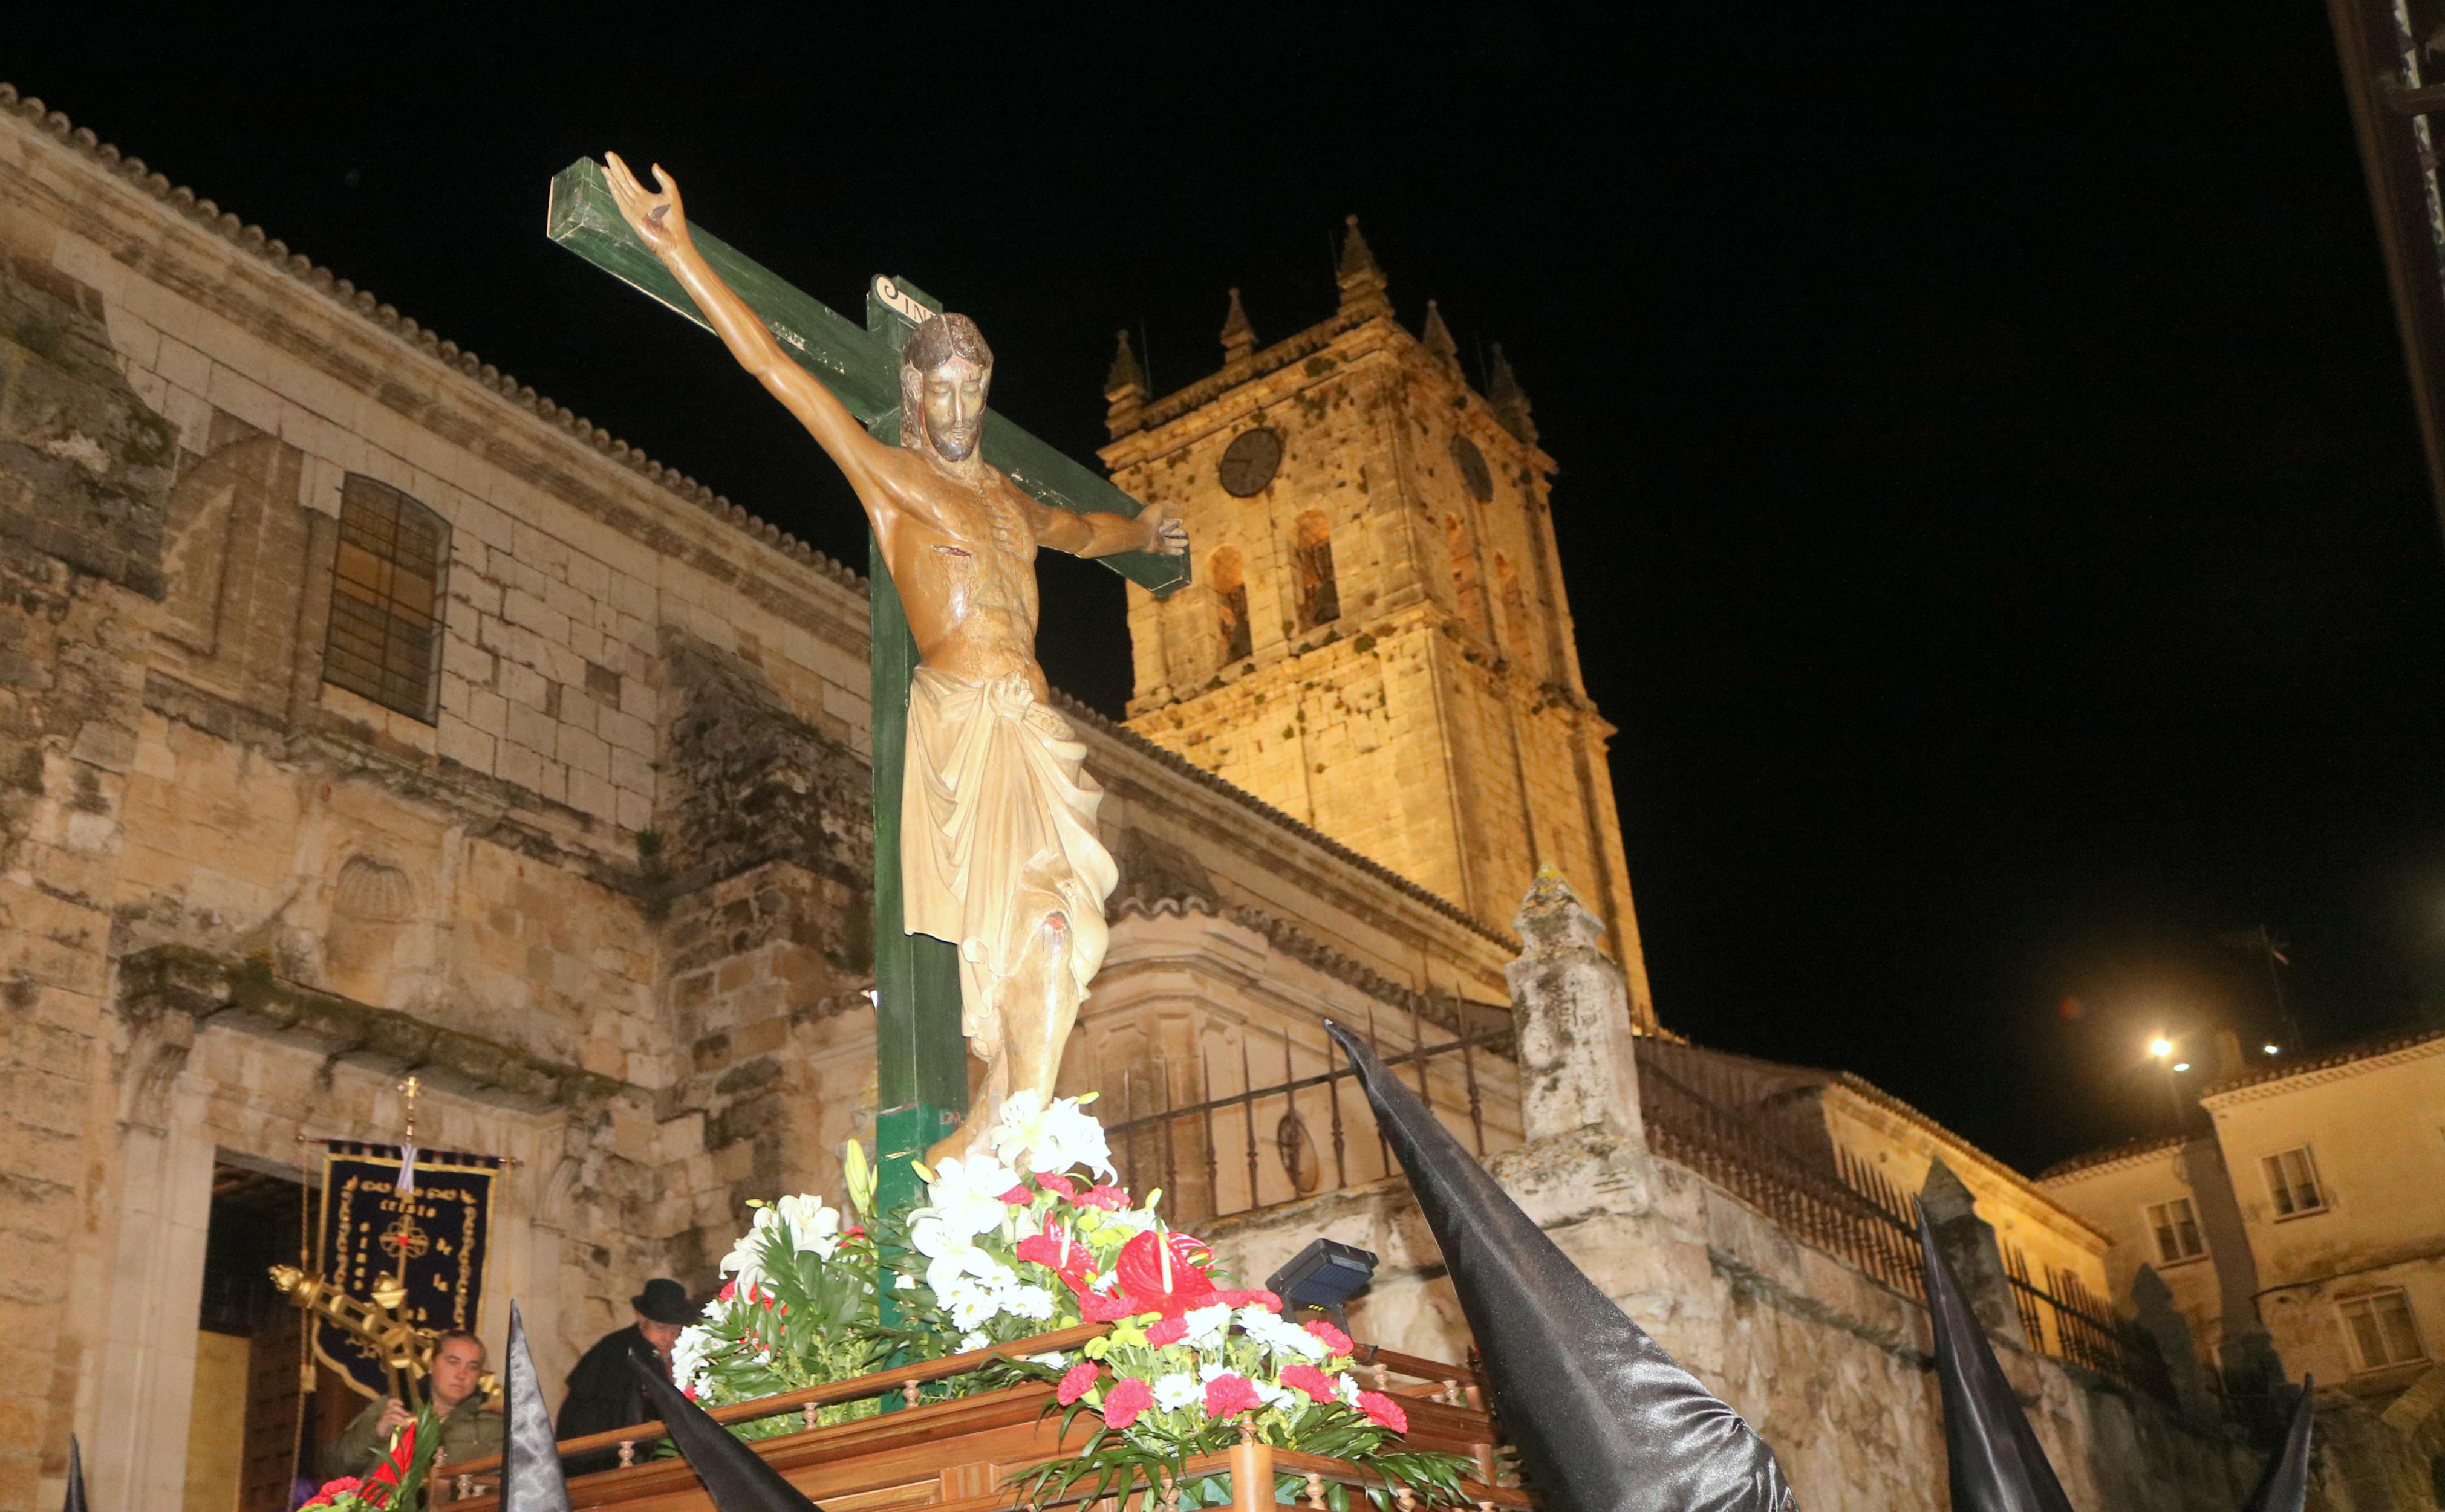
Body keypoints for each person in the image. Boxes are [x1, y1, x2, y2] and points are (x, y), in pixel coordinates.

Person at [601, 154, 1188, 1163]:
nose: (960, 410)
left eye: (975, 389)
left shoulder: (1008, 501)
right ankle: (991, 1140)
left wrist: (1145, 532)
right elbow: (774, 372)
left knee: (1061, 938)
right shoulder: (898, 483)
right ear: (915, 394)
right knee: (1026, 936)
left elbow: (1083, 532)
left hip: (1034, 725)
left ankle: (998, 1136)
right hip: (963, 721)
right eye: (944, 392)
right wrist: (678, 248)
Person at [321, 1330, 501, 1478]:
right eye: (453, 1363)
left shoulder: (493, 1424)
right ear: (432, 1364)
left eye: (472, 1367)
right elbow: (336, 1465)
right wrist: (378, 1432)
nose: (462, 1375)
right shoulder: (396, 1405)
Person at [555, 1279, 692, 1471]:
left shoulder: (679, 1354)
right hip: (601, 1462)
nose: (668, 1338)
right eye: (661, 1329)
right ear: (642, 1320)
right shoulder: (614, 1350)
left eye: (675, 1330)